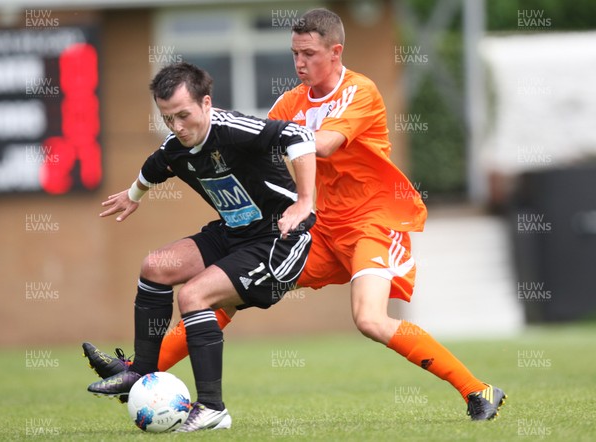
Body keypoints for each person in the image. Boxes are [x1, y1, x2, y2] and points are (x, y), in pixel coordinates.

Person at [84, 8, 505, 421]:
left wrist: (261, 143)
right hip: (317, 228)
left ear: (335, 52)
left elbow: (316, 145)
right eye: (294, 54)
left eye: (308, 54)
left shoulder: (360, 91)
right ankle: (142, 372)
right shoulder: (290, 101)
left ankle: (477, 389)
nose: (299, 63)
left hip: (372, 222)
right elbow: (258, 148)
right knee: (230, 290)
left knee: (370, 319)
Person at [86, 61, 317, 433]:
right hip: (233, 233)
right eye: (167, 119)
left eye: (183, 115)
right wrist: (133, 195)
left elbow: (299, 135)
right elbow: (154, 165)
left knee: (193, 296)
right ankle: (141, 372)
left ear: (206, 103)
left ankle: (212, 408)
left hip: (278, 240)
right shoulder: (176, 147)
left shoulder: (233, 130)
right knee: (155, 266)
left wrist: (304, 201)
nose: (177, 127)